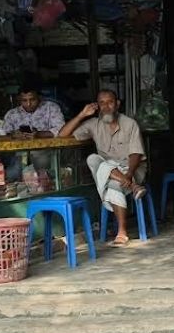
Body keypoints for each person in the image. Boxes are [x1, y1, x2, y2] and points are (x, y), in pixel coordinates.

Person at [59, 90, 146, 247]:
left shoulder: (129, 123)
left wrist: (130, 174)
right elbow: (62, 136)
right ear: (97, 106)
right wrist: (82, 115)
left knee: (113, 184)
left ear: (117, 104)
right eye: (102, 103)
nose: (106, 106)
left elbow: (136, 154)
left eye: (110, 102)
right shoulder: (93, 124)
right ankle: (133, 187)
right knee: (93, 159)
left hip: (131, 168)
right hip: (110, 171)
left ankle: (122, 232)